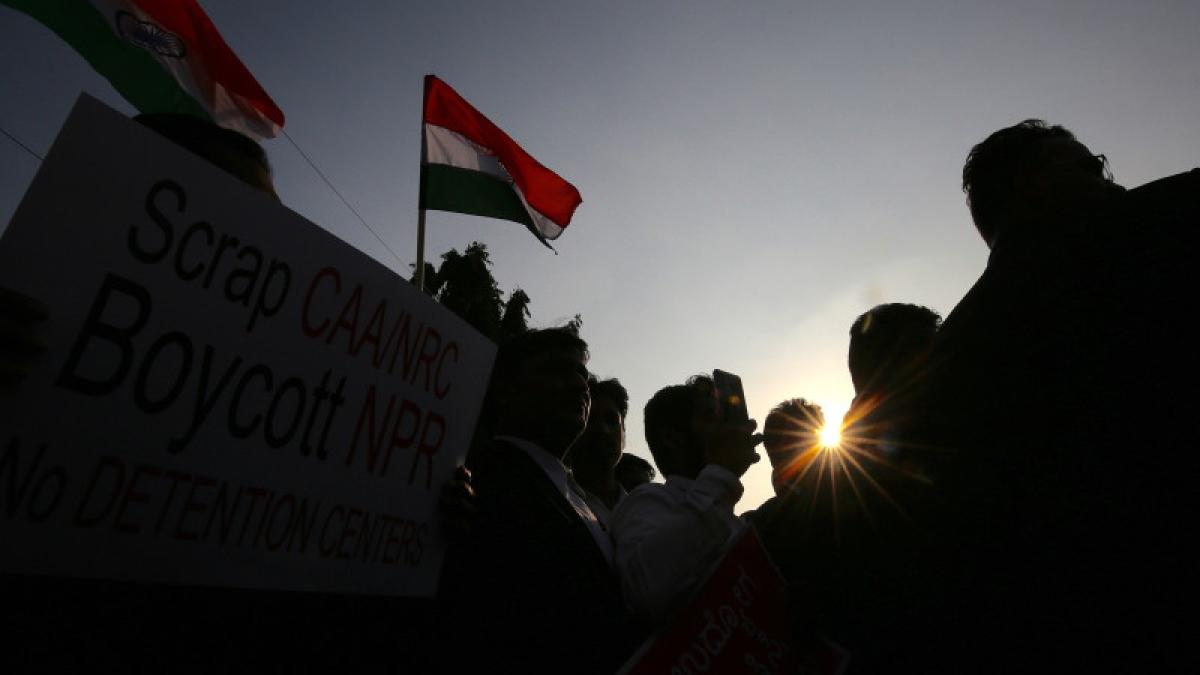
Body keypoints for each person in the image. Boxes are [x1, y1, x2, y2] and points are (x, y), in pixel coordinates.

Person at [892, 119, 1200, 670]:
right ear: (1031, 185)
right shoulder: (1135, 232)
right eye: (1089, 166)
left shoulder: (944, 365)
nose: (1108, 179)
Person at [438, 327, 641, 674]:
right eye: (558, 370)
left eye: (581, 374)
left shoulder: (578, 499)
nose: (580, 386)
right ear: (505, 390)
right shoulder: (474, 482)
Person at [610, 374, 761, 626]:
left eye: (723, 418)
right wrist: (722, 472)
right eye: (710, 418)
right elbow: (647, 591)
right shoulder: (646, 501)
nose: (723, 429)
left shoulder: (726, 511)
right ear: (673, 438)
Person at [565, 375, 630, 523]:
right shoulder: (556, 498)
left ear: (623, 431)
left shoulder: (644, 508)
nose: (603, 430)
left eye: (611, 420)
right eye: (590, 420)